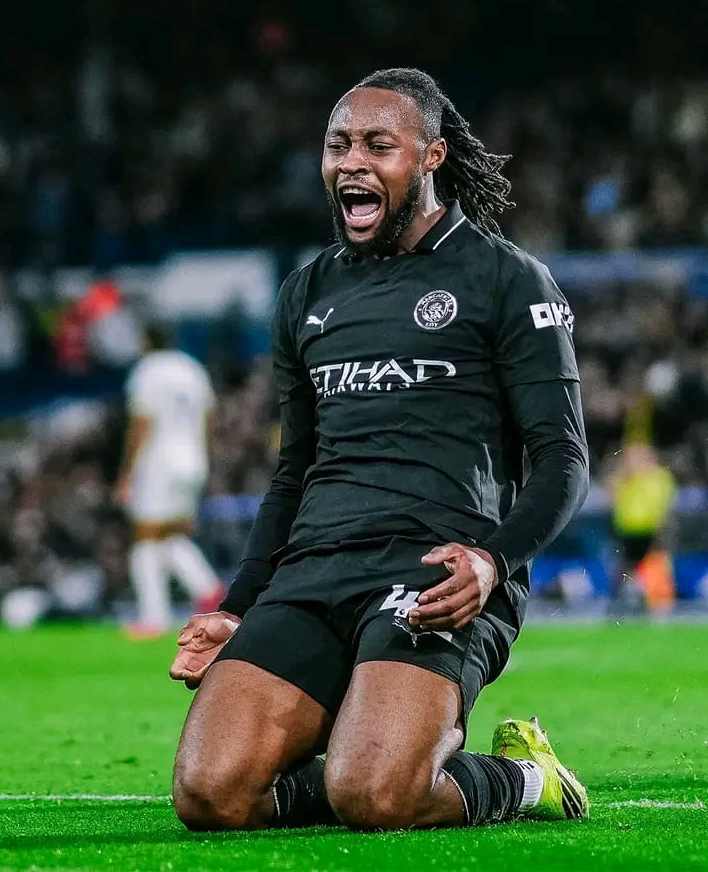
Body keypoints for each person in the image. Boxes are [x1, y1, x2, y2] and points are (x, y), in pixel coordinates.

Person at [169, 67, 590, 831]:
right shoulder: (306, 292)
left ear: (431, 158)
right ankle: (355, 756)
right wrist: (236, 607)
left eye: (377, 145)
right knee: (211, 795)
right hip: (313, 572)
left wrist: (492, 561)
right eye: (338, 146)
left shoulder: (507, 279)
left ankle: (527, 779)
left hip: (434, 570)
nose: (352, 162)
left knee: (378, 797)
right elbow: (294, 472)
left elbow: (564, 458)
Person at [114, 322, 224, 638]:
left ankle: (153, 616)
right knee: (171, 532)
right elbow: (209, 415)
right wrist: (202, 454)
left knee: (145, 535)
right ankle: (208, 588)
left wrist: (126, 471)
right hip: (193, 459)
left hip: (159, 460)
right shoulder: (192, 368)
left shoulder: (148, 370)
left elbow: (141, 421)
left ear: (146, 340)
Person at [606, 441, 676, 615]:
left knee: (657, 567)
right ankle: (618, 605)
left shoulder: (658, 477)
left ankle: (661, 605)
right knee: (624, 569)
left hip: (652, 530)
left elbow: (661, 502)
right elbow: (613, 497)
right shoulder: (625, 478)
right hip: (628, 531)